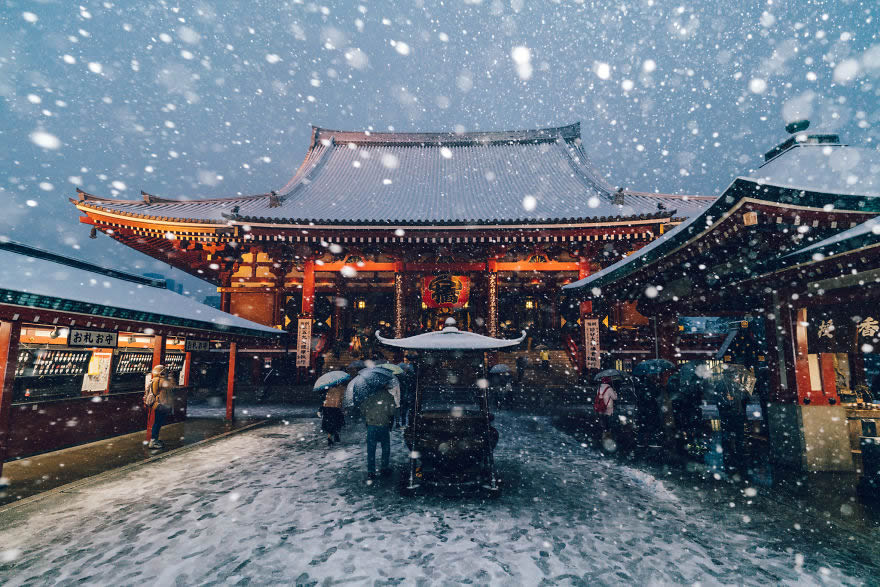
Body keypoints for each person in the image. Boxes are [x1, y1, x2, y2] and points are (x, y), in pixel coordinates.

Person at [361, 386, 396, 481]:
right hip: (384, 425)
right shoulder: (389, 396)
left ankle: (371, 471)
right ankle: (384, 468)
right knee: (385, 447)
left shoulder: (369, 396)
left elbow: (363, 410)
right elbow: (392, 412)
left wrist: (370, 415)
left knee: (371, 449)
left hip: (371, 425)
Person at [145, 365, 173, 450]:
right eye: (164, 371)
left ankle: (154, 440)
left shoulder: (154, 380)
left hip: (157, 404)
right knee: (157, 423)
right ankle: (153, 441)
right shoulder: (161, 381)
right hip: (161, 404)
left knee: (157, 422)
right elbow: (170, 386)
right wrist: (171, 377)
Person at [321, 382, 345, 446]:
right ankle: (336, 435)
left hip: (327, 409)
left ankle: (329, 438)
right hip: (335, 409)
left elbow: (325, 401)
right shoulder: (339, 391)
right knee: (336, 423)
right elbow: (339, 402)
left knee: (329, 424)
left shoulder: (329, 390)